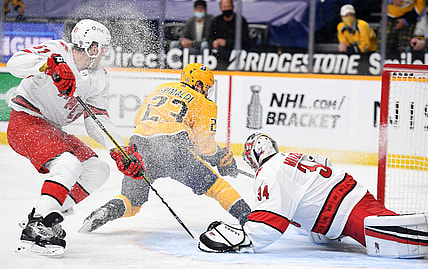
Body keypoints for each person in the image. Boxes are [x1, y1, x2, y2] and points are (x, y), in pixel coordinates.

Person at [79, 63, 252, 233]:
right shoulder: (204, 103)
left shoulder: (162, 88)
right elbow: (204, 146)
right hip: (173, 148)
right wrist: (221, 158)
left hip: (139, 146)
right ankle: (249, 218)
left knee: (132, 201)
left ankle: (108, 210)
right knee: (218, 187)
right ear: (198, 85)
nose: (207, 92)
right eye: (206, 88)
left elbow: (139, 120)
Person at [198, 133, 428, 258]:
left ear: (252, 157)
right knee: (394, 225)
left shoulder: (269, 172)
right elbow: (320, 172)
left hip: (347, 215)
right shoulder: (292, 157)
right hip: (356, 197)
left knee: (408, 241)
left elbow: (272, 220)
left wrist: (246, 237)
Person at [7, 19, 122, 257]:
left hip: (52, 129)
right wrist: (48, 65)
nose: (104, 53)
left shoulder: (99, 77)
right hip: (25, 120)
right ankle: (36, 226)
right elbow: (14, 64)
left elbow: (96, 120)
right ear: (92, 46)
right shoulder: (57, 50)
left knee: (98, 169)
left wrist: (120, 149)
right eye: (102, 48)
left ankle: (45, 217)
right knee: (68, 164)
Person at [209, 0, 250, 69]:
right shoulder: (216, 21)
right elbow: (209, 38)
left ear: (233, 7)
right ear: (220, 8)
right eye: (224, 7)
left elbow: (245, 40)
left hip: (237, 51)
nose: (227, 9)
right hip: (220, 51)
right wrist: (214, 43)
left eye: (228, 6)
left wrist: (226, 42)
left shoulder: (240, 20)